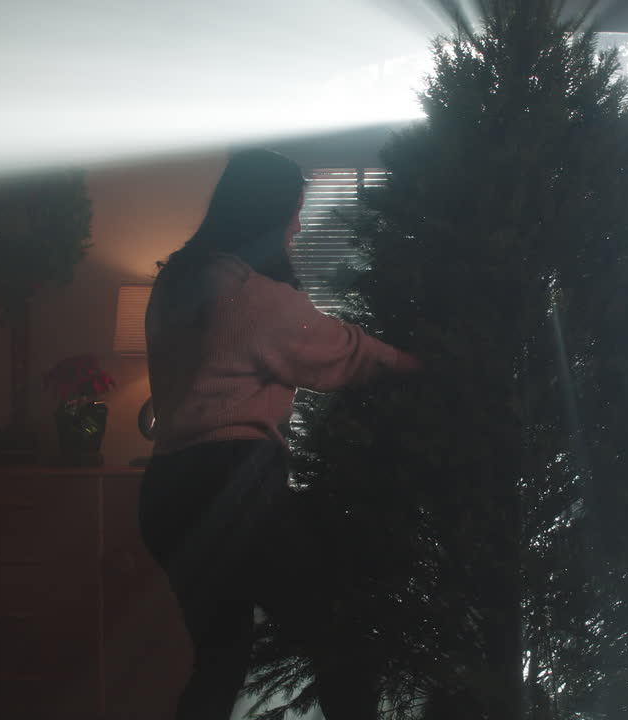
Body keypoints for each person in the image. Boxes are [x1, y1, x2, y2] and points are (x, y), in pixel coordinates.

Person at [138, 148, 419, 720]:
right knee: (339, 637)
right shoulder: (246, 295)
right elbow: (344, 353)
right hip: (229, 487)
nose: (297, 225)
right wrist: (428, 366)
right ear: (267, 212)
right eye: (294, 211)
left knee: (219, 655)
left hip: (167, 489)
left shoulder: (179, 280)